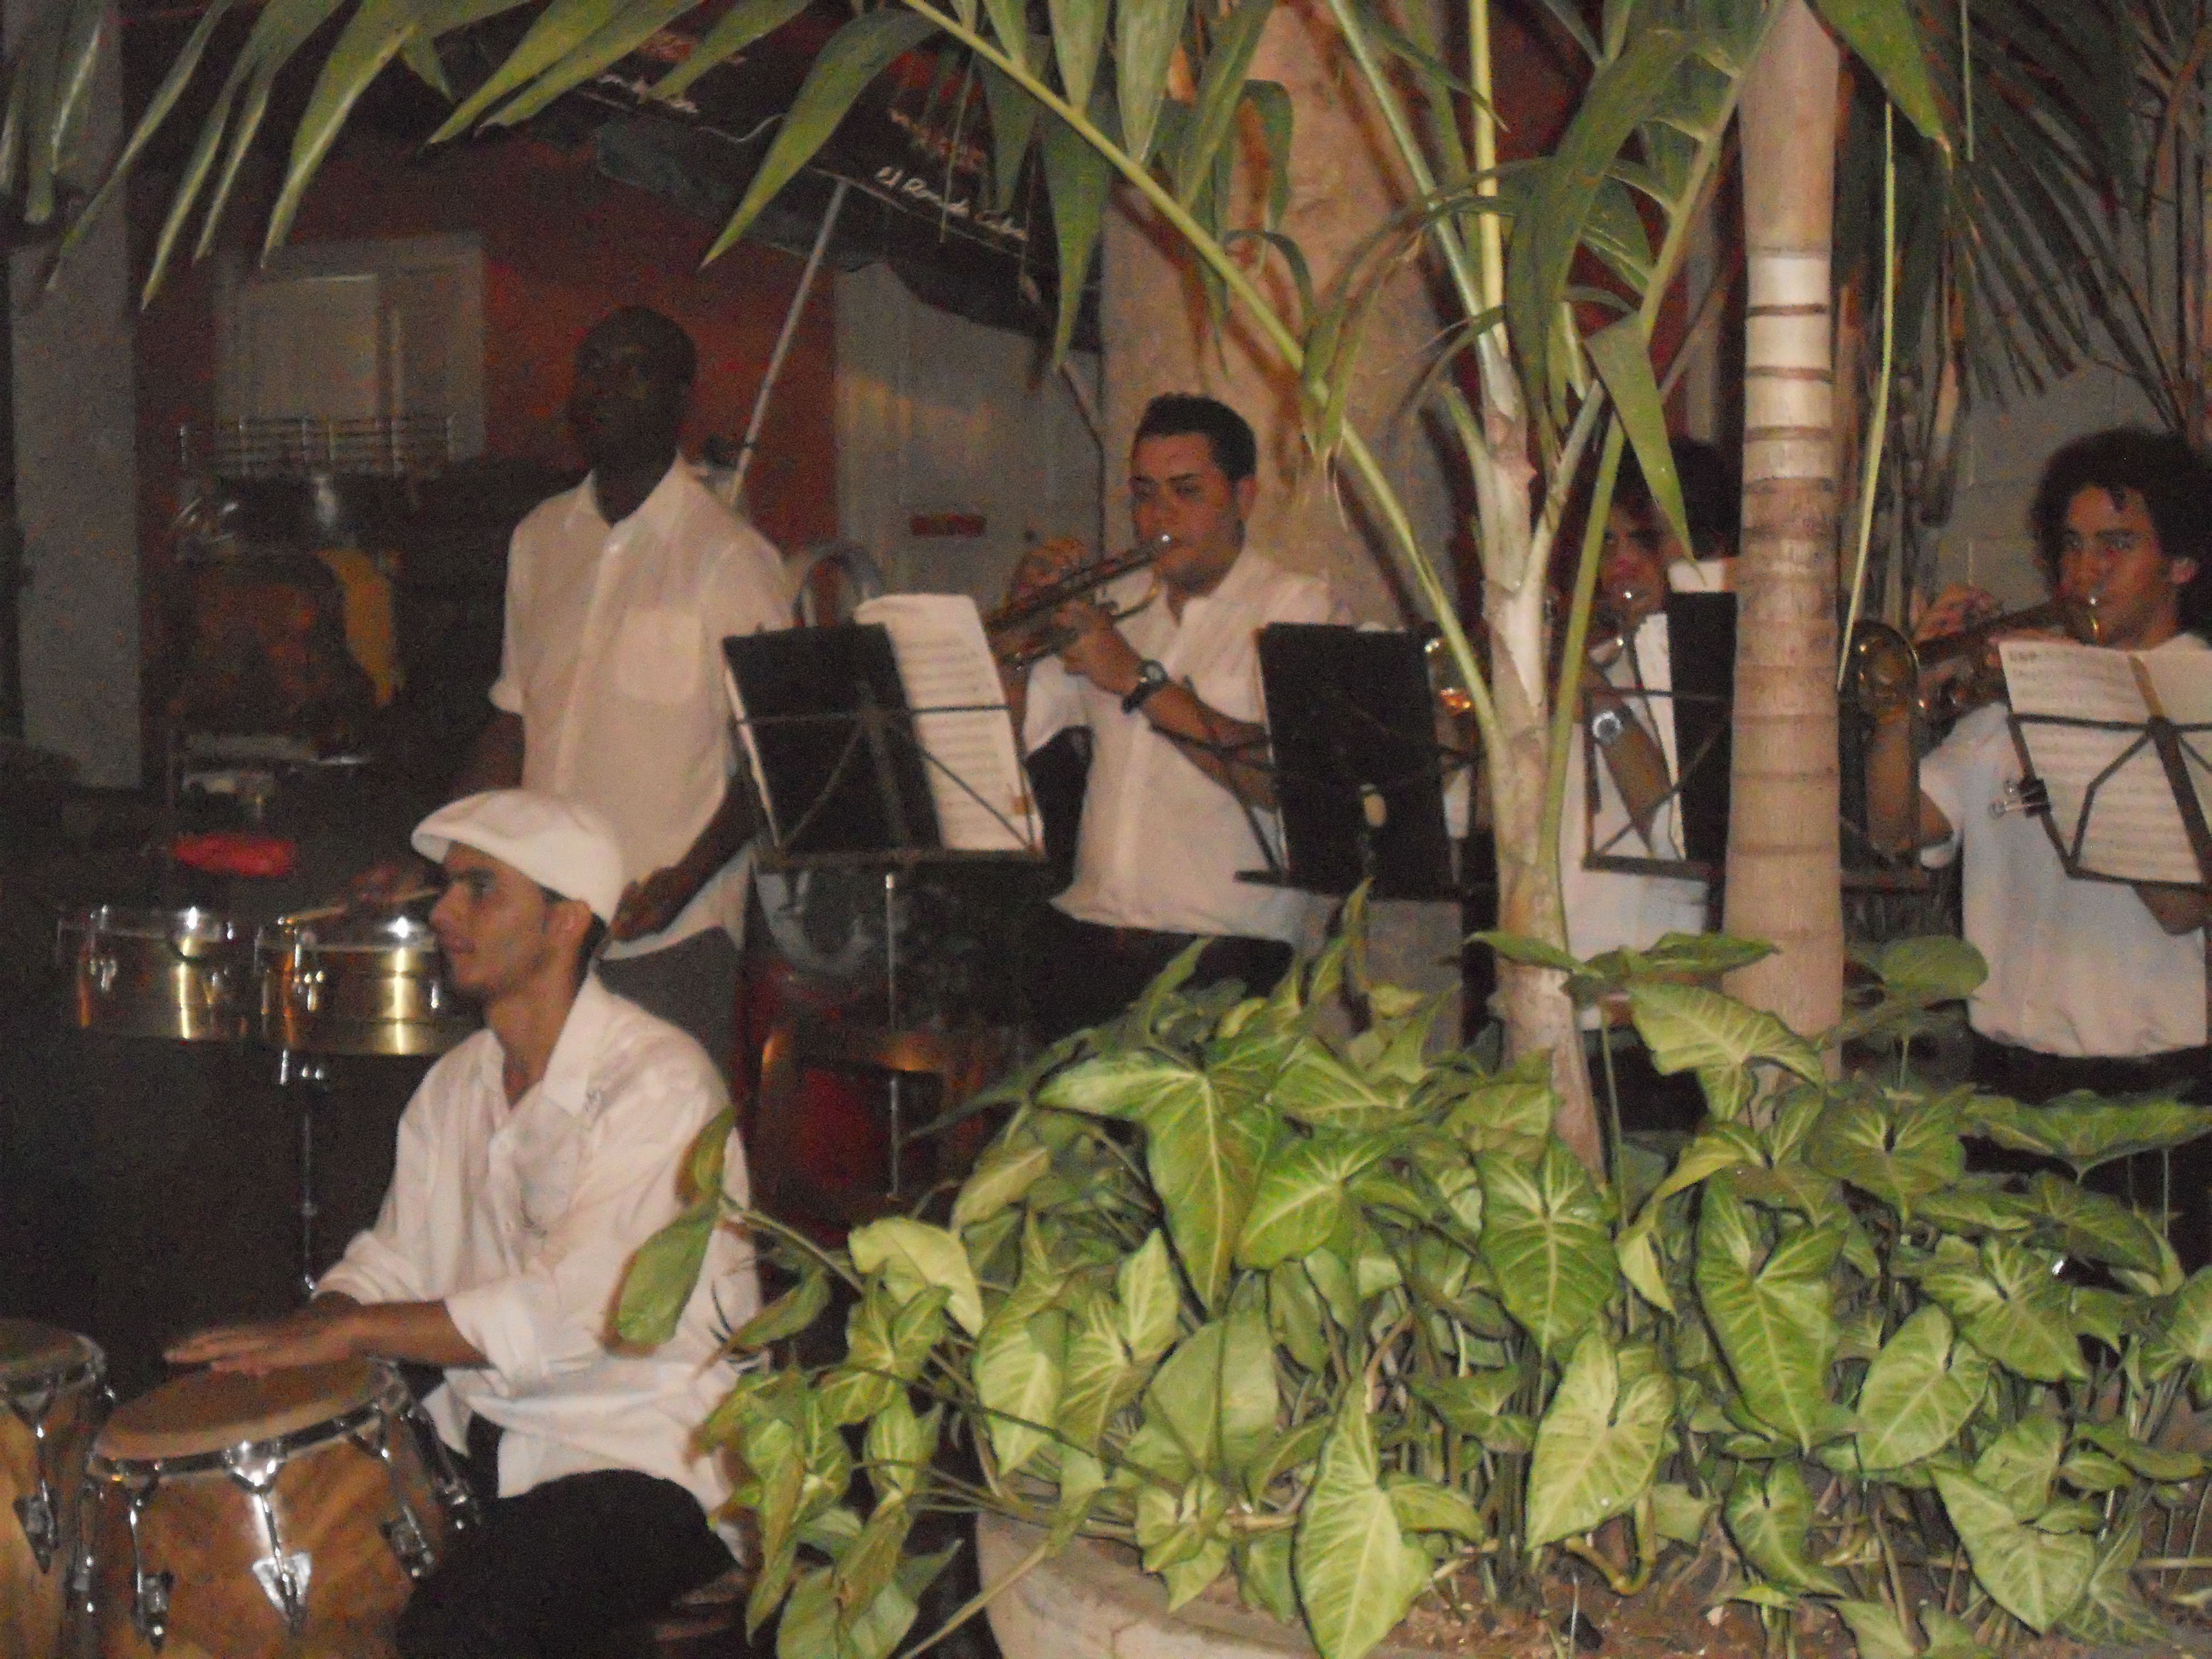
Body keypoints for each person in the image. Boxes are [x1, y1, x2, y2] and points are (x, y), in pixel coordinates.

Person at [171, 790, 756, 1656]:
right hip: (487, 1444)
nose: (443, 913)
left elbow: (578, 1315)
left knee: (455, 1629)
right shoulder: (457, 1083)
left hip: (644, 1461)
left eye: (480, 890)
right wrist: (315, 1325)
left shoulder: (659, 1084)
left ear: (566, 920)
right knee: (269, 1565)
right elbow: (394, 1259)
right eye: (447, 888)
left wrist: (355, 1332)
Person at [368, 306, 791, 1071]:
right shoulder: (540, 538)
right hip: (538, 933)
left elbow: (775, 758)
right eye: (593, 367)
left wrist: (681, 883)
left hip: (664, 938)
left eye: (633, 370)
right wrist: (442, 860)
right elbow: (515, 722)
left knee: (659, 1142)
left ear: (680, 398)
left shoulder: (728, 557)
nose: (605, 387)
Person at [1867, 430, 2211, 1245]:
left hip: (2153, 1098)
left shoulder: (2198, 695)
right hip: (2007, 1085)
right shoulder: (2005, 708)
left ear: (2181, 564)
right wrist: (1900, 705)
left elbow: (2179, 908)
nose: (2083, 572)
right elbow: (1896, 829)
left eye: (2116, 546)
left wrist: (2065, 703)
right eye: (2072, 546)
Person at [1001, 395, 1348, 1038]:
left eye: (1186, 492)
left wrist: (1136, 680)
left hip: (1225, 958)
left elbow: (1291, 785)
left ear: (1243, 498)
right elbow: (1007, 740)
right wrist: (1020, 632)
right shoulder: (1117, 604)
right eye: (1144, 494)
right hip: (1089, 943)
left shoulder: (1297, 608)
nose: (1158, 516)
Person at [1558, 441, 1735, 1128]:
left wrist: (1601, 704)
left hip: (1650, 1030)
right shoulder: (1590, 665)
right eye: (1605, 543)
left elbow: (1676, 835)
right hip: (1558, 1015)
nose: (1621, 563)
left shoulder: (1709, 682)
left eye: (1644, 540)